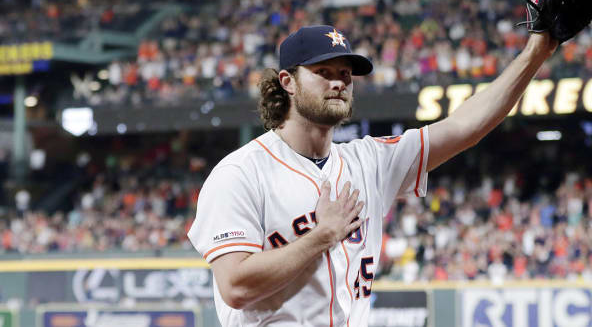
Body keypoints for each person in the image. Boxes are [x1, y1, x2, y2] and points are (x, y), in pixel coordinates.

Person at [187, 25, 558, 326]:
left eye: (345, 74)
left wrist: (537, 50)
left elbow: (464, 126)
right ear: (288, 81)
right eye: (323, 73)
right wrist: (323, 236)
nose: (339, 83)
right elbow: (235, 286)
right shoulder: (240, 173)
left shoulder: (369, 161)